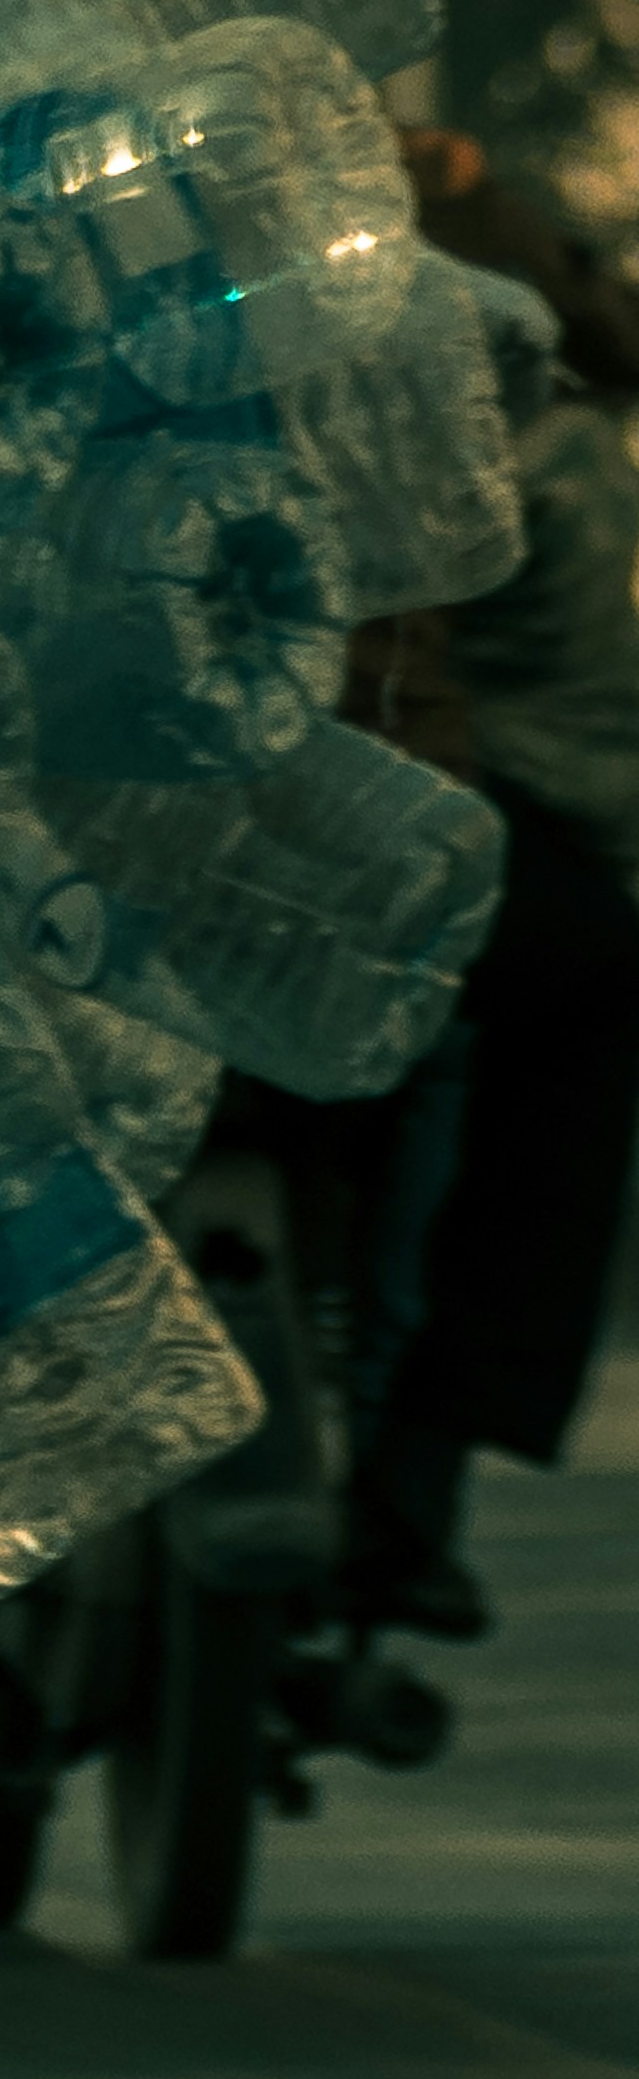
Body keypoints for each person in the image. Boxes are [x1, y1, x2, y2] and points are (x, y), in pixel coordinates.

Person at [325, 140, 639, 1640]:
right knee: (589, 987)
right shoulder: (423, 208)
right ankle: (428, 1462)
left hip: (169, 829)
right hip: (398, 827)